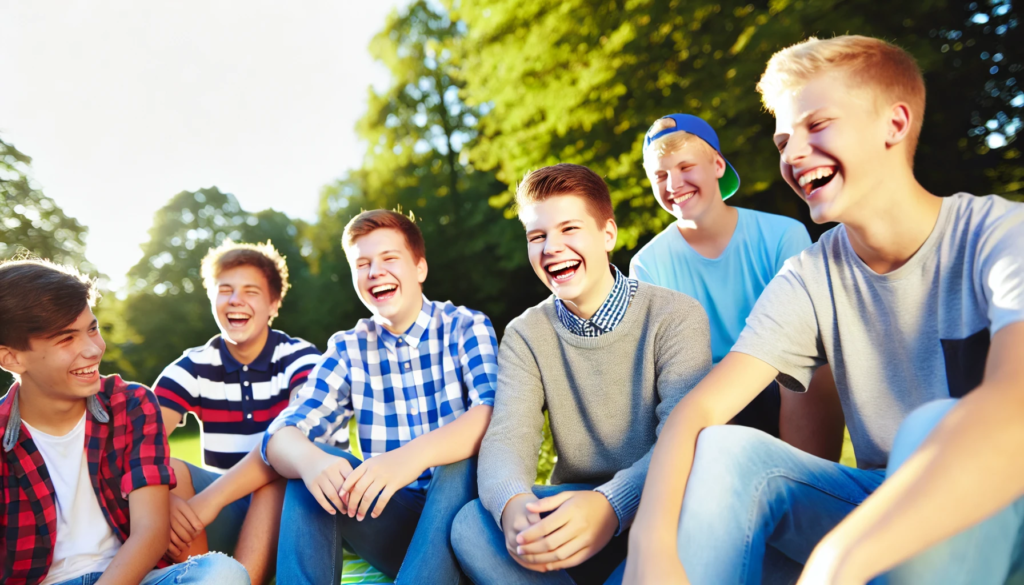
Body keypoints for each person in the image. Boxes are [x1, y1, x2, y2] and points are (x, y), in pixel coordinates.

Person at [623, 35, 1024, 585]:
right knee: (722, 448)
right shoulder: (809, 277)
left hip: (1002, 494)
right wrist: (651, 545)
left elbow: (1014, 408)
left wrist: (842, 561)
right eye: (783, 139)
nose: (791, 154)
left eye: (816, 125)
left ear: (895, 124)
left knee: (930, 426)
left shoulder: (999, 234)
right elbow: (696, 413)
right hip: (879, 497)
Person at [451, 163, 712, 584]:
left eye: (569, 229)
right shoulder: (524, 334)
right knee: (470, 525)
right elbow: (508, 438)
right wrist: (514, 505)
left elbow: (685, 439)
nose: (551, 247)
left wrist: (613, 505)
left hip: (664, 504)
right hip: (569, 511)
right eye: (537, 237)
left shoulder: (675, 316)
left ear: (608, 235)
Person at [263, 209, 498, 584]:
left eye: (389, 258)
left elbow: (491, 413)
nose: (375, 272)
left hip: (463, 524)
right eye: (363, 264)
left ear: (419, 268)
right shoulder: (348, 348)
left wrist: (409, 458)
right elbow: (279, 435)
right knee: (313, 472)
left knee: (459, 460)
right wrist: (310, 462)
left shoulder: (466, 326)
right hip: (392, 526)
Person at [0, 257, 249, 585]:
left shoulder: (131, 404)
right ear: (11, 357)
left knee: (222, 573)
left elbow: (151, 533)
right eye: (66, 339)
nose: (92, 349)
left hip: (130, 577)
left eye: (92, 329)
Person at [632, 113, 843, 459]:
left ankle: (807, 490)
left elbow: (803, 337)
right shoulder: (647, 264)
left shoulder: (782, 235)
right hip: (707, 401)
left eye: (685, 167)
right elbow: (667, 369)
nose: (673, 184)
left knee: (814, 365)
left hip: (782, 380)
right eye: (660, 175)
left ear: (717, 164)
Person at [153, 240, 321, 584]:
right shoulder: (194, 365)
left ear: (274, 304)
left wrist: (208, 503)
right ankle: (202, 576)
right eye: (224, 290)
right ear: (212, 299)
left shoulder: (300, 358)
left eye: (251, 291)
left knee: (279, 474)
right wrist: (161, 502)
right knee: (166, 471)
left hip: (287, 517)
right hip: (217, 519)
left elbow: (297, 436)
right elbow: (139, 443)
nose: (235, 300)